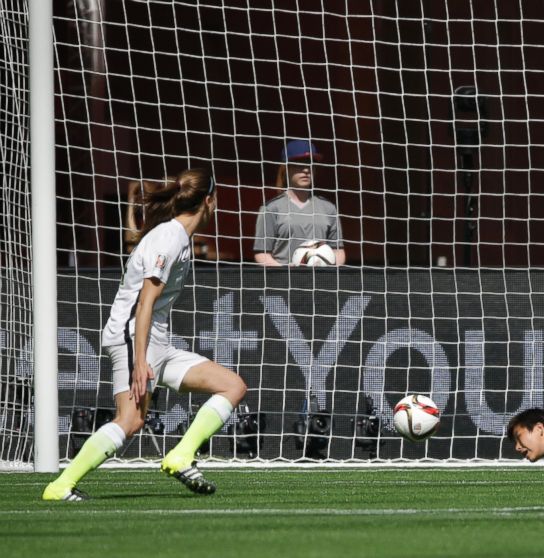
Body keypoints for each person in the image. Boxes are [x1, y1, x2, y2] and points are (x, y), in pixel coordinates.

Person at [43, 169, 247, 501]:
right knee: (130, 420)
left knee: (232, 385)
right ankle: (61, 485)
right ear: (209, 201)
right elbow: (144, 302)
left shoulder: (178, 236)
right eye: (218, 199)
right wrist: (139, 361)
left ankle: (180, 456)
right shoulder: (169, 238)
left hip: (157, 342)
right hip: (133, 336)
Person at [254, 140, 346, 266]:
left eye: (310, 164)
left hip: (322, 281)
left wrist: (331, 270)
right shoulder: (271, 208)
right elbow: (262, 254)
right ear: (286, 168)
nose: (306, 170)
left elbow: (338, 250)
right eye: (299, 164)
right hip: (284, 282)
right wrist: (284, 272)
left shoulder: (328, 208)